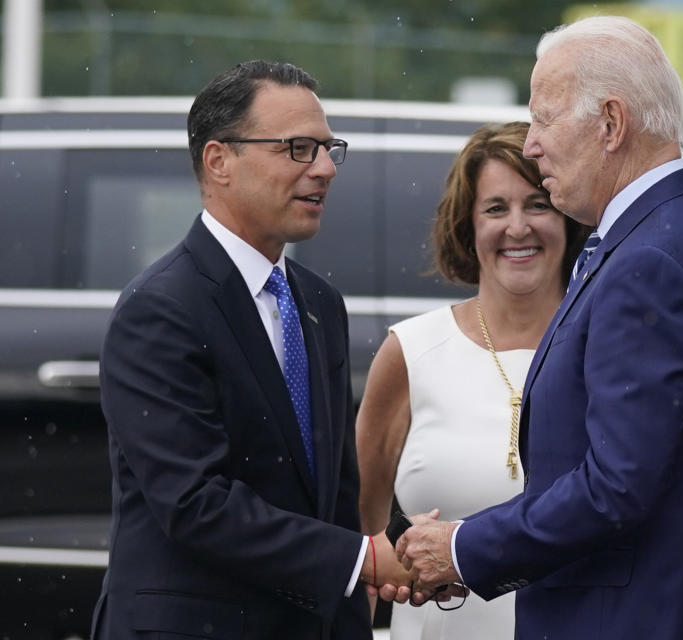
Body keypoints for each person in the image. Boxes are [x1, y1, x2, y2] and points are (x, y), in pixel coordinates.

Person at [392, 16, 683, 640]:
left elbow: (617, 486)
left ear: (610, 123)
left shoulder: (652, 258)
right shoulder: (669, 235)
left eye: (544, 118)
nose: (533, 144)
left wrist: (465, 548)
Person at [89, 60, 409, 640]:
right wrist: (360, 560)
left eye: (328, 148)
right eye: (298, 148)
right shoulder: (160, 308)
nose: (325, 169)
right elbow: (194, 503)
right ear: (219, 161)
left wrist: (388, 563)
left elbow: (333, 492)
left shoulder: (318, 303)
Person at [356, 121, 587, 639]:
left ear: (570, 220)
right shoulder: (410, 353)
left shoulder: (603, 352)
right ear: (468, 225)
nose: (519, 227)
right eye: (496, 208)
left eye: (538, 204)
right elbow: (360, 547)